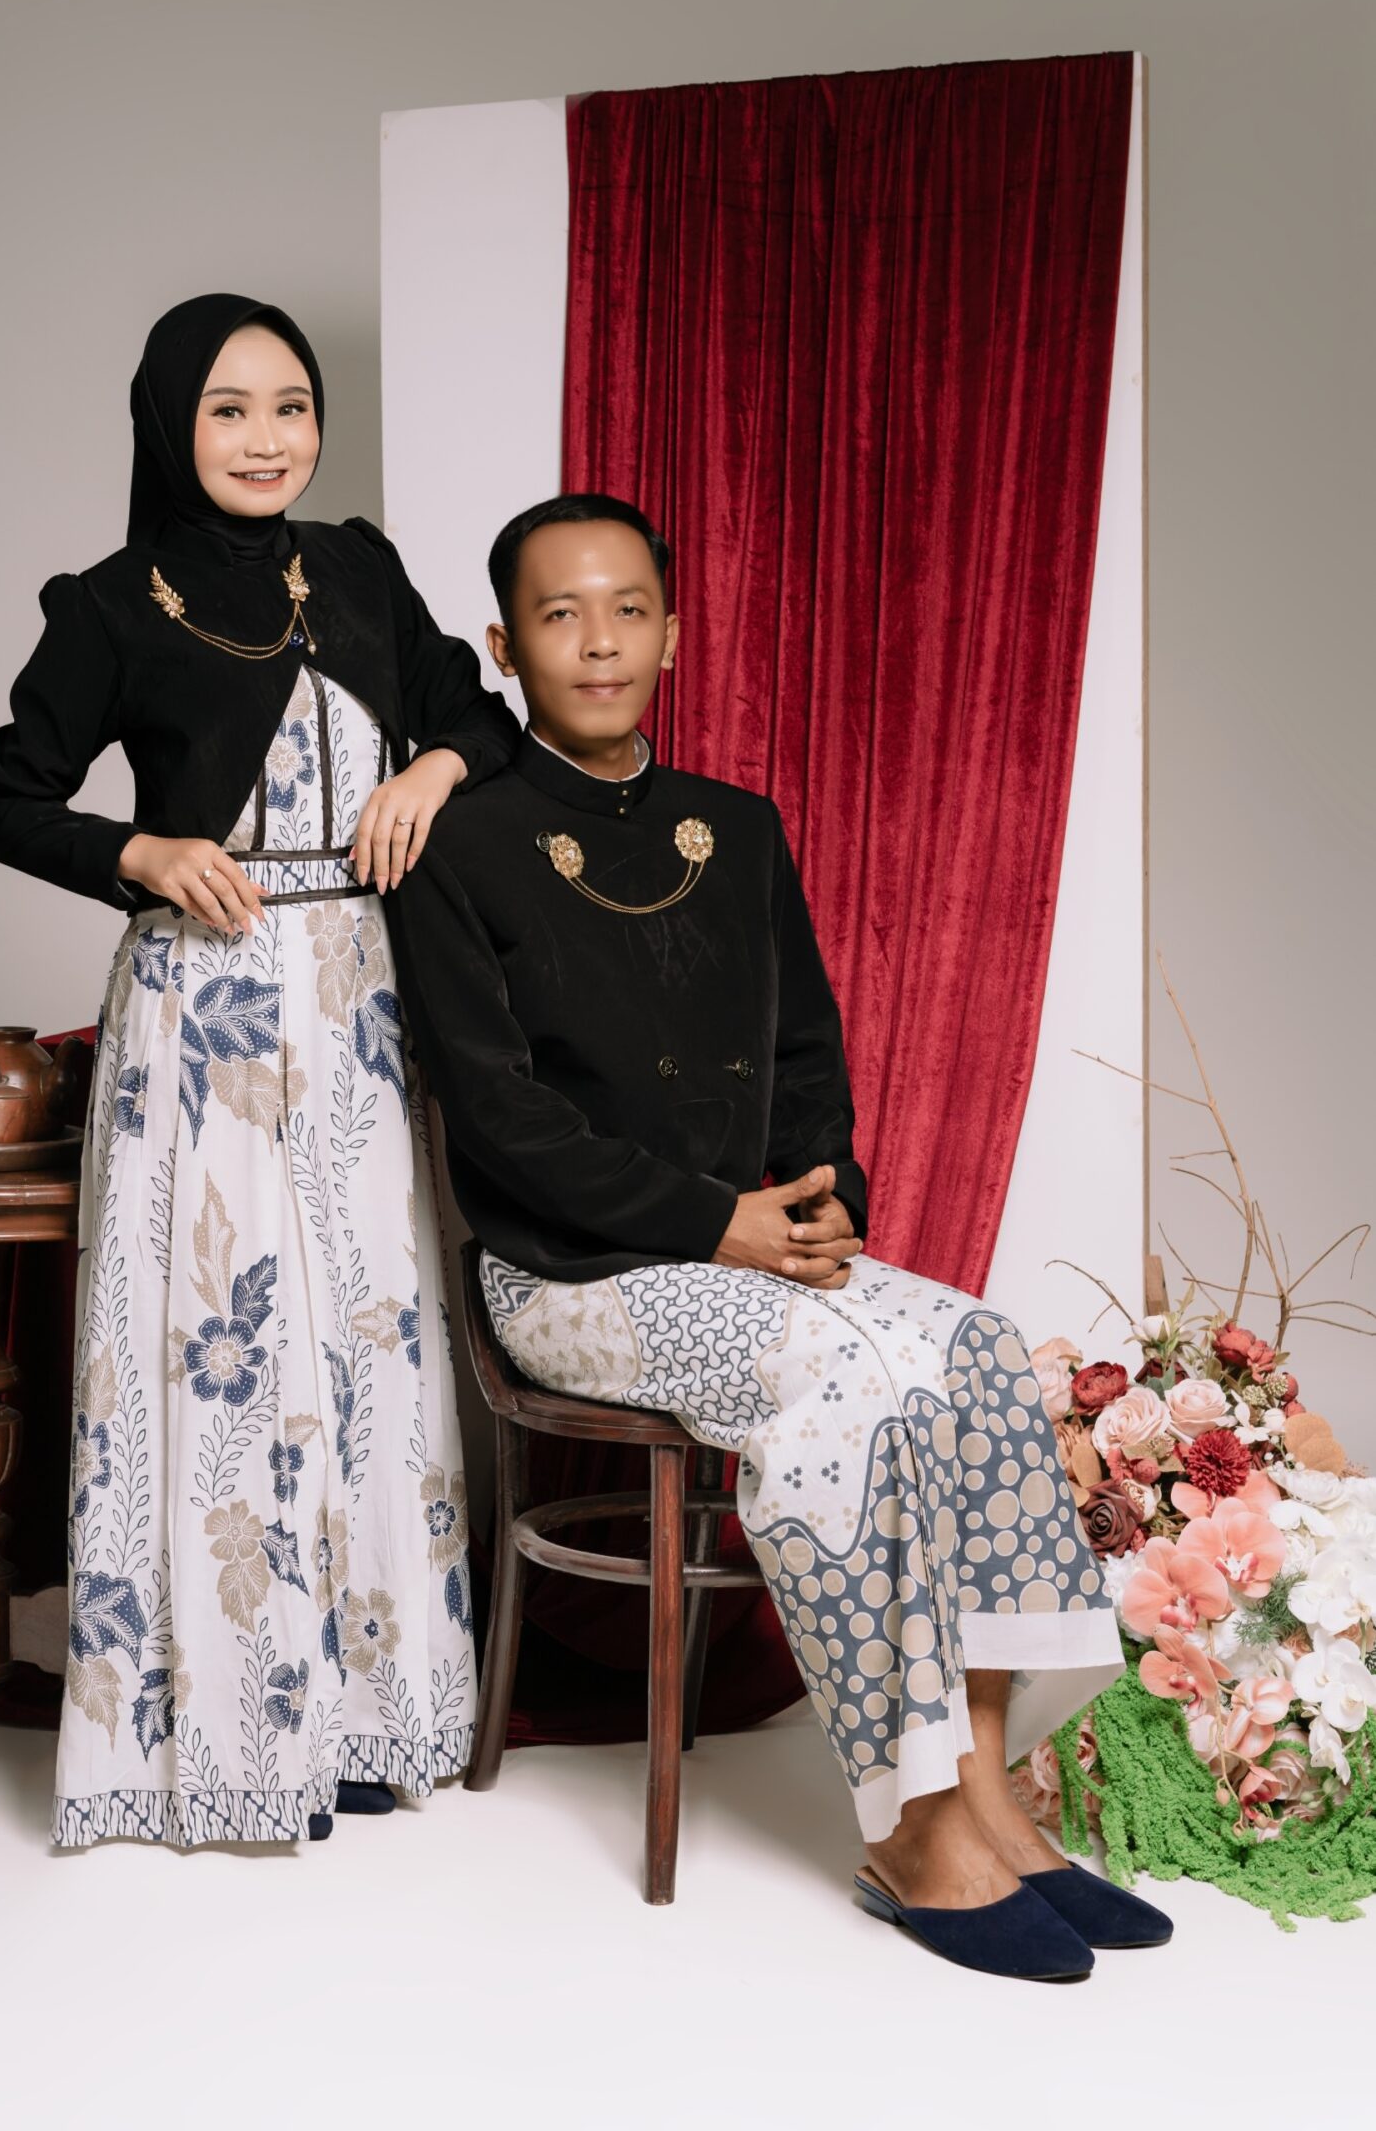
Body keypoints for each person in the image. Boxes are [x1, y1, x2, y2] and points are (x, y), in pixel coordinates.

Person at [386, 491, 1171, 1979]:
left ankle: (989, 1794)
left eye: (628, 610)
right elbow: (499, 1121)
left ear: (674, 634)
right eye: (560, 615)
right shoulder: (460, 843)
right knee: (850, 1385)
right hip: (573, 1277)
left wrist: (823, 1200)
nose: (599, 641)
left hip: (757, 1247)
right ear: (503, 645)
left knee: (982, 1351)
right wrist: (715, 1224)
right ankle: (912, 1828)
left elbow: (807, 1052)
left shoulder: (736, 829)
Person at [0, 293, 515, 1846]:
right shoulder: (106, 605)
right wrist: (141, 852)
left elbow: (474, 716)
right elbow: (8, 800)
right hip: (202, 1006)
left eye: (292, 406)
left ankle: (363, 1716)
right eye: (229, 409)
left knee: (368, 1345)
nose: (268, 438)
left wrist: (431, 766)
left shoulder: (359, 568)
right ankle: (221, 1735)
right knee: (225, 1349)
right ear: (169, 423)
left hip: (356, 1002)